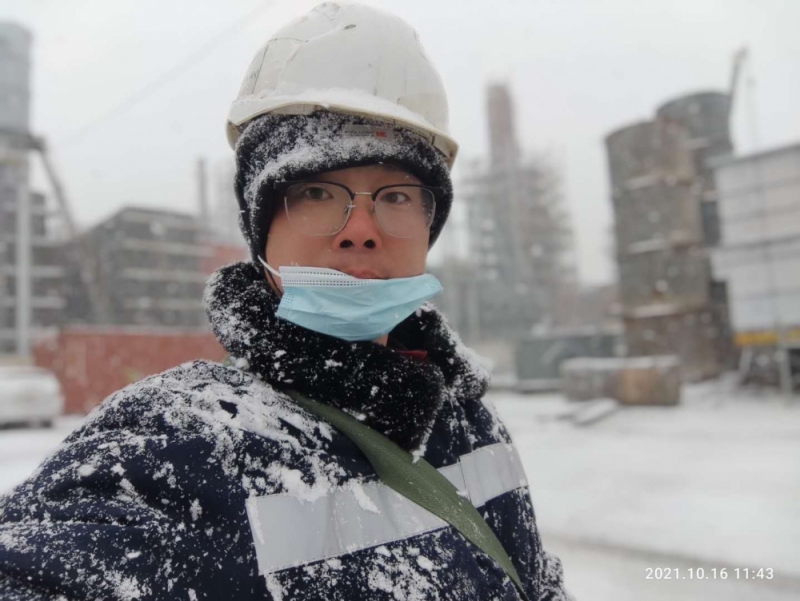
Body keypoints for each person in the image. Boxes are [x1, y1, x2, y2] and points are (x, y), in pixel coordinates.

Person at [0, 3, 572, 599]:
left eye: (396, 196)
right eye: (318, 192)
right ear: (260, 231)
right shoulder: (184, 447)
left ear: (430, 226)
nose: (361, 231)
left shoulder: (469, 420)